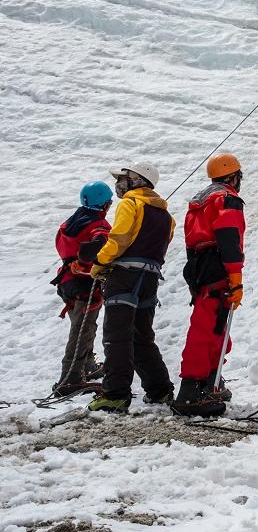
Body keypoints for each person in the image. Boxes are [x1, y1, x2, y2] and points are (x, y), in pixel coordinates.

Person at [87, 164, 176, 412]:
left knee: (117, 337)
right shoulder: (167, 217)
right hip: (149, 280)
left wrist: (99, 262)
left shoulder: (130, 204)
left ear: (137, 180)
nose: (120, 184)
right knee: (141, 336)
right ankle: (160, 391)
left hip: (124, 277)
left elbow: (119, 239)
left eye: (124, 179)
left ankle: (116, 394)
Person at [172, 153, 246, 417]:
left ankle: (209, 382)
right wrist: (235, 276)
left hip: (199, 265)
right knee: (207, 328)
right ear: (233, 176)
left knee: (214, 325)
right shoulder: (227, 198)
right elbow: (229, 235)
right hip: (218, 263)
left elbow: (191, 239)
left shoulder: (199, 200)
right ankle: (191, 392)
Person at [49, 181, 113, 396]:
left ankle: (86, 365)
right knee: (82, 329)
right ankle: (70, 378)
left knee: (83, 326)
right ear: (105, 204)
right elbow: (98, 244)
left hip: (66, 281)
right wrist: (89, 264)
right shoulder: (99, 225)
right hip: (85, 284)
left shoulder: (71, 222)